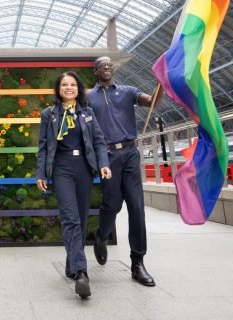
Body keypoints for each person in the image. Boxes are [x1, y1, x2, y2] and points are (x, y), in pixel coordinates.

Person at [87, 56, 162, 287]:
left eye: (110, 65)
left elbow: (151, 102)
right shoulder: (88, 98)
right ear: (96, 71)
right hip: (107, 156)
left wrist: (164, 85)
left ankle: (137, 262)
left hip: (130, 153)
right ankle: (101, 236)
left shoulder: (128, 91)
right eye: (103, 65)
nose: (107, 67)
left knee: (137, 207)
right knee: (112, 205)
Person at [36, 71, 111, 299]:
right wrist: (41, 173)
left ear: (78, 89)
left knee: (80, 217)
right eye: (64, 85)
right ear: (58, 90)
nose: (68, 88)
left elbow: (98, 142)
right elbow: (43, 147)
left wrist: (103, 165)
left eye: (72, 84)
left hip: (84, 168)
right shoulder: (49, 114)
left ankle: (71, 264)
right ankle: (81, 273)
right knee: (70, 218)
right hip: (61, 168)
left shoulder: (87, 113)